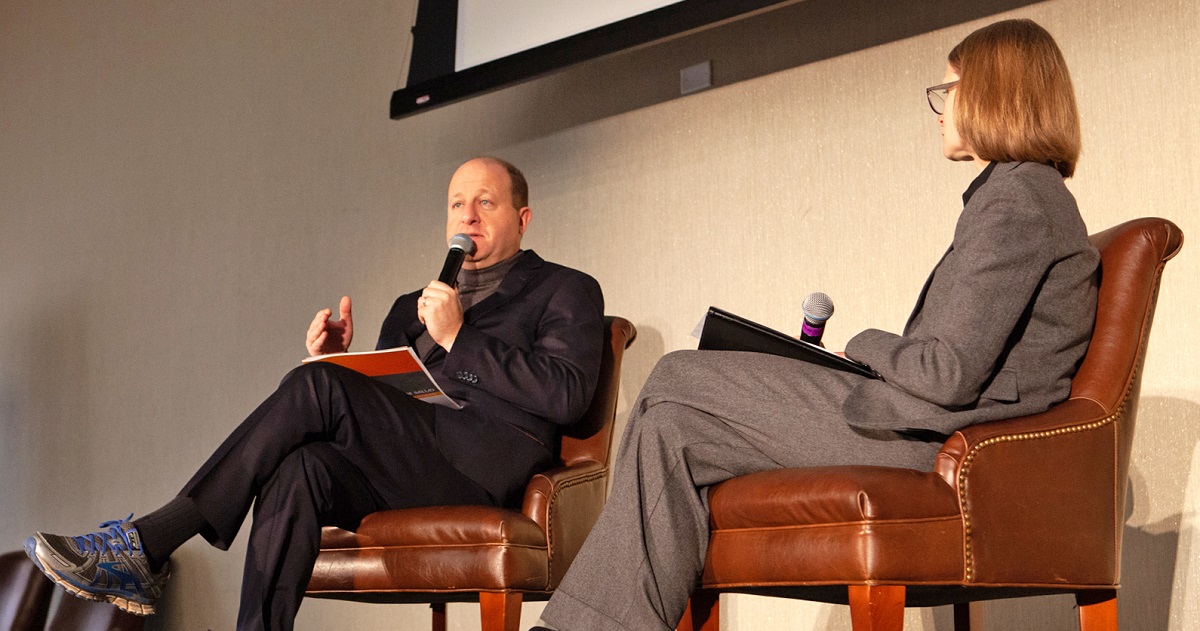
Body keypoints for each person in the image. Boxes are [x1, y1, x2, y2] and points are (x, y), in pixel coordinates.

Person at [536, 18, 1099, 631]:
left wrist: (861, 344)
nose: (939, 109)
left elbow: (947, 373)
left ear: (996, 94)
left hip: (934, 440)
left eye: (950, 90)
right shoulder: (1022, 198)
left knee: (676, 375)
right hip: (921, 424)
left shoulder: (1017, 201)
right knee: (671, 427)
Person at [23, 157, 607, 631]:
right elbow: (388, 403)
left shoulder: (565, 289)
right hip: (407, 466)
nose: (469, 215)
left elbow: (567, 396)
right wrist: (342, 366)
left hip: (484, 465)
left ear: (523, 216)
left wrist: (456, 338)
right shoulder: (414, 306)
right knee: (299, 466)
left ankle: (148, 544)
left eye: (486, 201)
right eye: (457, 203)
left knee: (318, 386)